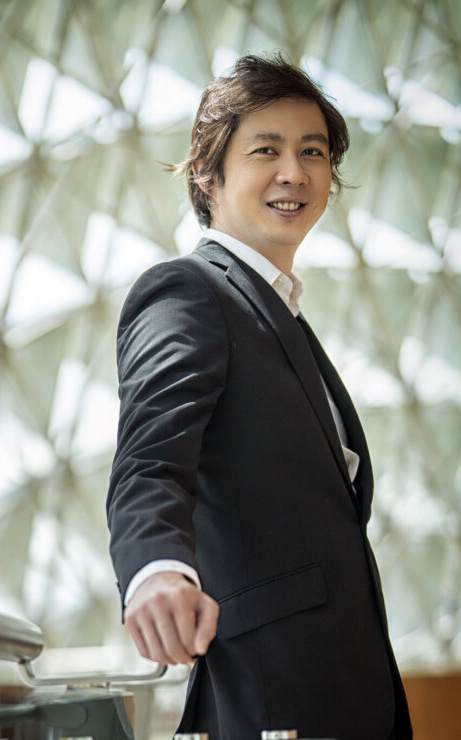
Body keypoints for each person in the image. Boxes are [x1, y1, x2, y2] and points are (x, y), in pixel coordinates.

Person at [106, 52, 413, 740]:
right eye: (265, 150)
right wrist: (156, 570)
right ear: (206, 173)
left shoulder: (281, 314)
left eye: (312, 151)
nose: (294, 172)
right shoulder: (188, 292)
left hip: (344, 697)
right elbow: (151, 462)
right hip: (271, 703)